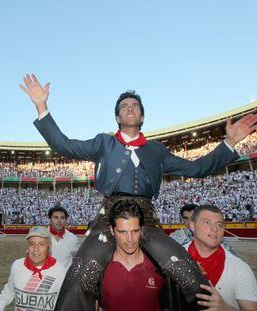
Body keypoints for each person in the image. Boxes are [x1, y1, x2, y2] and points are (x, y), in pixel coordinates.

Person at [20, 73, 257, 310]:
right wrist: (42, 106)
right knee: (82, 269)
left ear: (142, 116)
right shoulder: (104, 143)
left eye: (135, 106)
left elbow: (197, 167)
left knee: (182, 266)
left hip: (147, 220)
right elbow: (64, 144)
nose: (130, 108)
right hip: (108, 218)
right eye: (124, 106)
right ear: (117, 117)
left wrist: (230, 143)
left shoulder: (156, 150)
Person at [186, 205, 257, 310]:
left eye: (219, 224)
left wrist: (225, 308)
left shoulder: (240, 268)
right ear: (192, 225)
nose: (214, 229)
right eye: (207, 222)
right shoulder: (173, 257)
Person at [101, 199, 165, 311]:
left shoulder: (160, 266)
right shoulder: (100, 268)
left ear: (142, 229)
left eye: (135, 231)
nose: (130, 239)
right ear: (112, 230)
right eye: (122, 232)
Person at [0, 226, 66, 311]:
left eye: (41, 244)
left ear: (49, 247)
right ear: (27, 248)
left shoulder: (61, 270)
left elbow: (68, 300)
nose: (36, 249)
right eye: (32, 244)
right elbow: (9, 290)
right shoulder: (17, 265)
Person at [171, 203, 237, 255]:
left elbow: (231, 255)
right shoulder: (176, 237)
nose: (189, 222)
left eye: (192, 218)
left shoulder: (212, 234)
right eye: (185, 218)